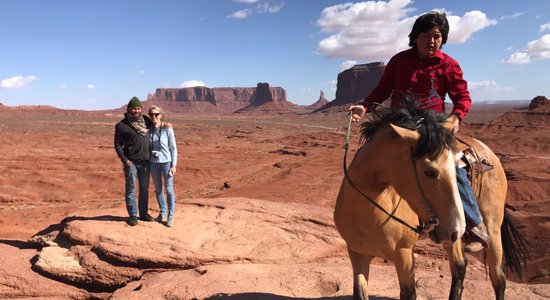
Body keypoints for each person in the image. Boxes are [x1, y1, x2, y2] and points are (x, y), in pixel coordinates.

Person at [349, 11, 489, 252]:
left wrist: (456, 117)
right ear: (415, 37)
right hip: (399, 124)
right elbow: (382, 90)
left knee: (450, 169)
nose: (432, 41)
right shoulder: (399, 61)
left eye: (437, 36)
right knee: (367, 157)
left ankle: (474, 224)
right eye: (426, 36)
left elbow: (462, 97)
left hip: (432, 127)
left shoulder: (449, 65)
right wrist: (364, 107)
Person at [114, 97, 155, 226]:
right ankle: (133, 215)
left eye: (138, 108)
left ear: (141, 109)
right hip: (131, 162)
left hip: (145, 162)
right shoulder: (122, 125)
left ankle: (143, 214)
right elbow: (117, 144)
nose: (136, 110)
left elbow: (158, 125)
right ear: (128, 109)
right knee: (131, 189)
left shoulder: (147, 121)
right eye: (133, 108)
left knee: (144, 188)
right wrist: (125, 160)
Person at [148, 105, 178, 227]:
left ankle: (171, 215)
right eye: (151, 115)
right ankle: (163, 213)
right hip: (153, 163)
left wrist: (174, 165)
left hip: (166, 163)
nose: (153, 117)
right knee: (158, 190)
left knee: (169, 190)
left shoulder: (167, 129)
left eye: (156, 114)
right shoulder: (149, 130)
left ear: (161, 115)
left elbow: (173, 148)